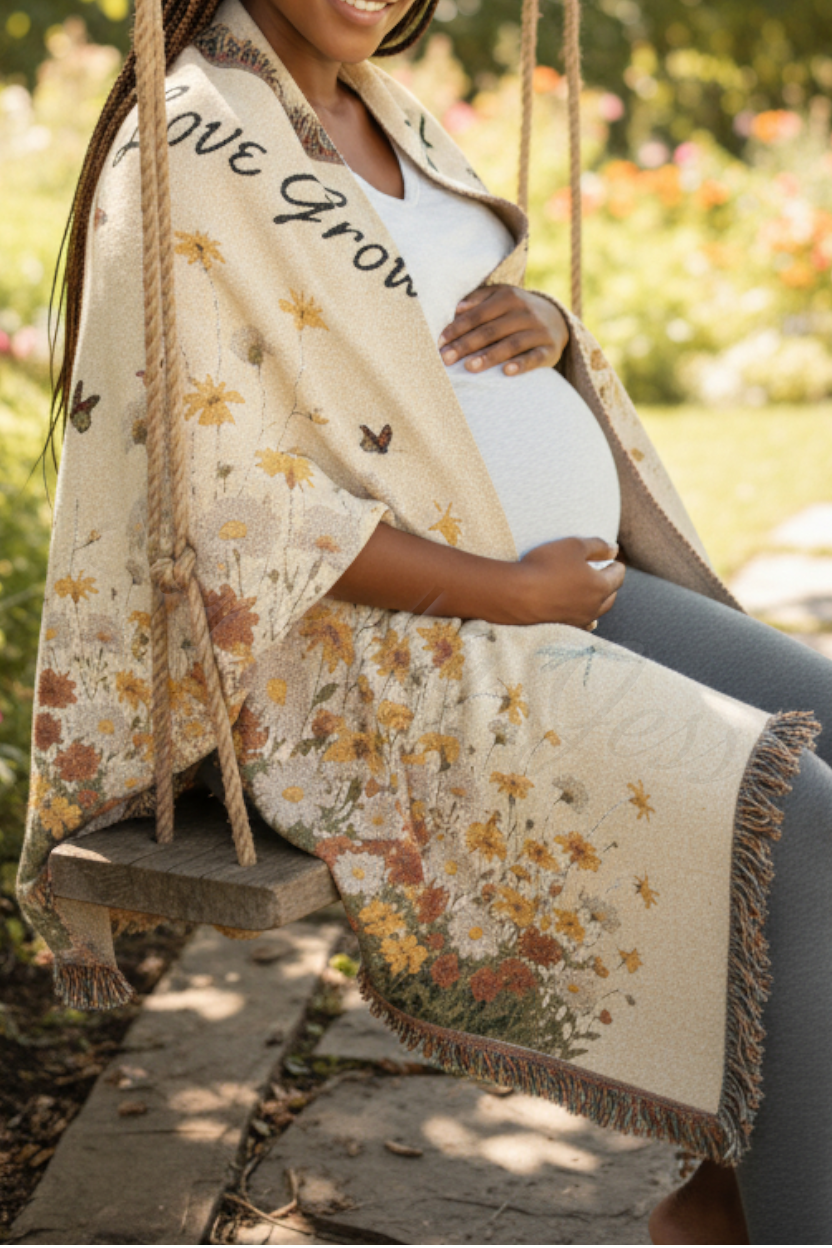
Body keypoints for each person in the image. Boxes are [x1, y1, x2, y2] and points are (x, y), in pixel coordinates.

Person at [16, 0, 832, 1242]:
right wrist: (506, 591)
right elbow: (223, 503)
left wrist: (546, 324)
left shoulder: (384, 109)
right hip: (367, 654)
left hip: (556, 597)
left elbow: (436, 316)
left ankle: (726, 1190)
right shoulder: (188, 141)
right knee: (800, 824)